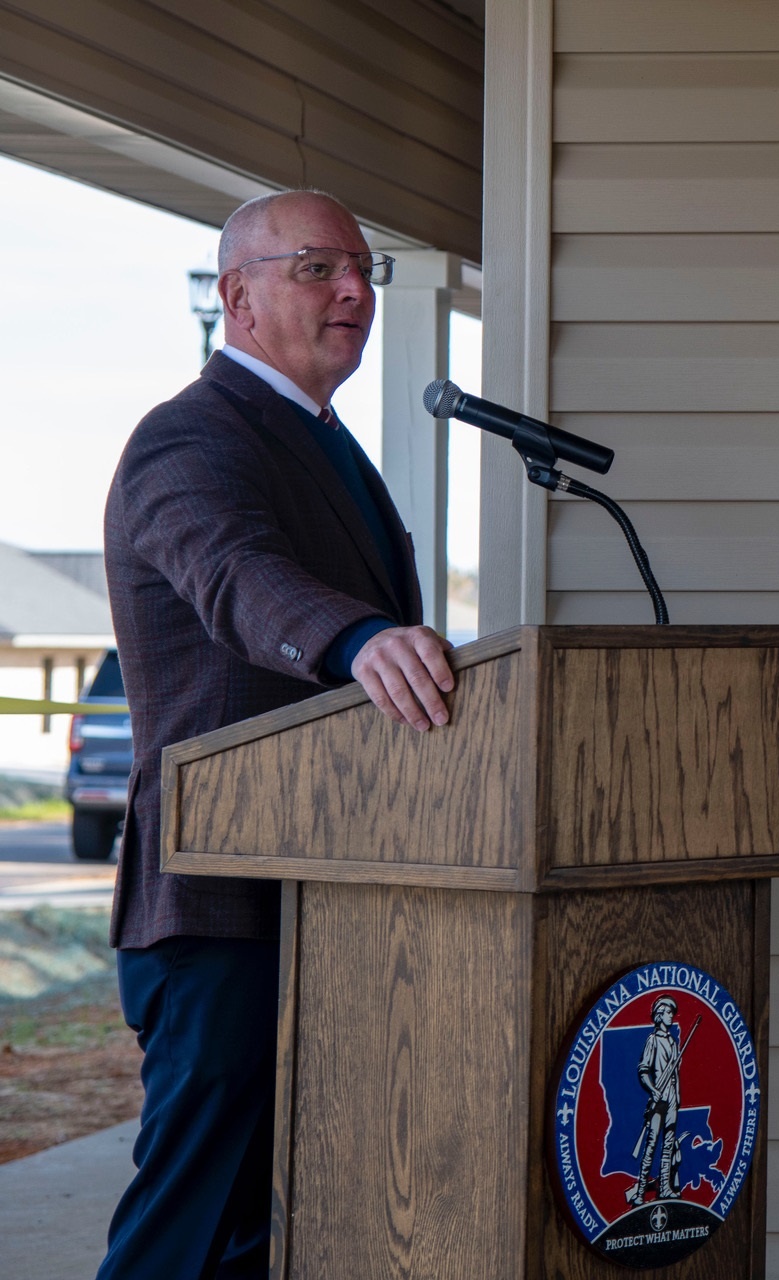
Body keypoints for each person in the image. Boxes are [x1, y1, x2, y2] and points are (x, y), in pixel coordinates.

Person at [95, 189, 454, 1280]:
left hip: (326, 893)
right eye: (317, 268)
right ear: (238, 295)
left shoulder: (323, 441)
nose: (353, 290)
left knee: (270, 1236)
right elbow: (233, 573)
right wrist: (353, 638)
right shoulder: (188, 437)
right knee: (189, 1233)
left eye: (362, 270)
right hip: (221, 904)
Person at [629, 995, 682, 1205]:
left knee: (668, 1144)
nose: (672, 1016)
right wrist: (653, 1091)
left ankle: (665, 1189)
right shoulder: (653, 1040)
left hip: (672, 1099)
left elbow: (676, 1074)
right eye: (668, 1012)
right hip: (658, 1099)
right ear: (659, 1015)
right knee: (651, 1145)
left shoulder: (673, 1042)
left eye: (672, 1013)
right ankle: (641, 1192)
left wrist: (676, 1098)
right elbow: (643, 1070)